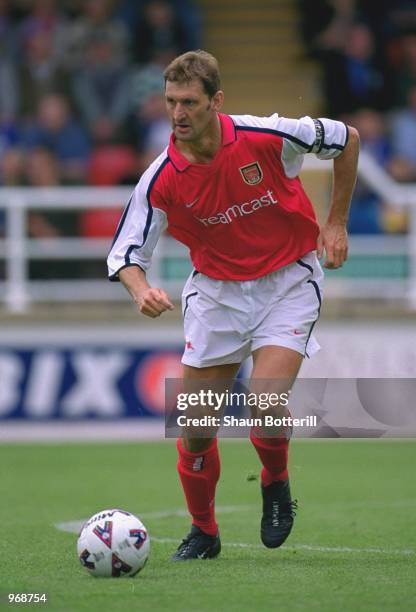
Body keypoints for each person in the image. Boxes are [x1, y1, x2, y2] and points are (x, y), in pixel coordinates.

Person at [107, 50, 359, 560]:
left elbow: (346, 139)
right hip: (218, 295)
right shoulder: (161, 177)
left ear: (215, 101)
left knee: (266, 403)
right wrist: (141, 290)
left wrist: (336, 221)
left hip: (287, 281)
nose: (178, 114)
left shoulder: (266, 134)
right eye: (171, 102)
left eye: (190, 102)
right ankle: (204, 531)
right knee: (195, 431)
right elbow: (126, 254)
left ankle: (276, 482)